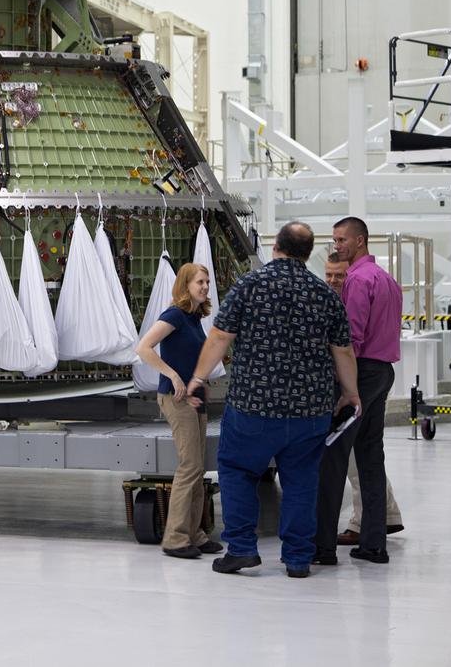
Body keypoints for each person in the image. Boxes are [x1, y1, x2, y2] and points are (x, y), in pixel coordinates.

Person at [188, 222, 359, 579]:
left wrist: (199, 378)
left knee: (237, 471)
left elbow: (220, 336)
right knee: (300, 481)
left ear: (276, 247)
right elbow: (342, 349)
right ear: (308, 253)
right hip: (309, 410)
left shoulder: (250, 285)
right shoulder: (324, 293)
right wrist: (350, 392)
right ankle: (298, 558)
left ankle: (242, 550)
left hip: (254, 405)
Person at [314, 218, 403, 565]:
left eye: (342, 240)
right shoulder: (387, 280)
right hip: (383, 372)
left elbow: (350, 340)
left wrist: (344, 388)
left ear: (360, 241)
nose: (337, 245)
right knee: (370, 457)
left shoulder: (358, 280)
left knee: (334, 457)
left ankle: (323, 547)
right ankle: (373, 543)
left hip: (361, 373)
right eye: (335, 240)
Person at [136, 263, 224, 559]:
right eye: (200, 282)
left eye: (207, 282)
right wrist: (172, 375)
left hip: (194, 398)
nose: (205, 287)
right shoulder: (174, 314)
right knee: (189, 467)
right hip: (176, 399)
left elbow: (190, 356)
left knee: (198, 469)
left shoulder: (194, 317)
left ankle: (196, 534)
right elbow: (144, 348)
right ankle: (174, 538)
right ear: (186, 285)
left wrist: (202, 385)